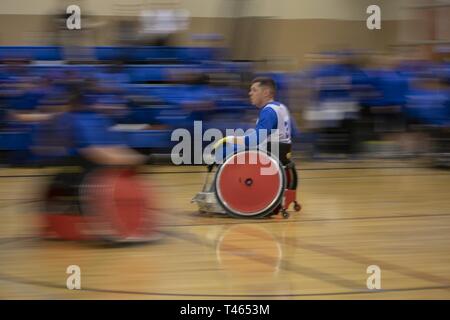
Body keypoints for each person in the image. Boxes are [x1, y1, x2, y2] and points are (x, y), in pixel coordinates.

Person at [214, 77, 295, 164]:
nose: (250, 93)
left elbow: (253, 140)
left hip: (267, 154)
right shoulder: (282, 107)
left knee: (223, 150)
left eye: (254, 90)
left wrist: (230, 138)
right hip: (282, 152)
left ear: (266, 93)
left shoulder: (268, 111)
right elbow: (293, 132)